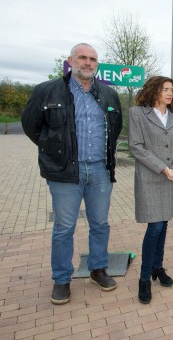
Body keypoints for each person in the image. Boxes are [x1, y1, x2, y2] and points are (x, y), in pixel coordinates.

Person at [21, 43, 122, 305]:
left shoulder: (109, 95)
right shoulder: (48, 90)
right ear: (71, 61)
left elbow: (116, 127)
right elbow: (32, 126)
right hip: (65, 173)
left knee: (100, 223)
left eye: (93, 59)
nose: (88, 63)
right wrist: (56, 153)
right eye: (83, 58)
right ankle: (62, 279)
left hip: (100, 170)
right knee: (64, 227)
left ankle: (98, 269)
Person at [127, 76, 173, 304]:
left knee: (164, 224)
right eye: (165, 89)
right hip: (151, 177)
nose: (170, 93)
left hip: (171, 177)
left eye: (172, 89)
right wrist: (163, 168)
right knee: (155, 226)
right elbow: (136, 146)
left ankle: (157, 268)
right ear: (154, 91)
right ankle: (144, 278)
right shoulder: (137, 113)